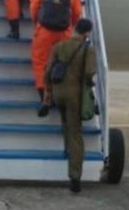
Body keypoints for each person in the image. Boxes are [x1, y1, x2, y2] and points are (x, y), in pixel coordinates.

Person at [41, 18, 96, 193]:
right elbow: (89, 72)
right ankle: (75, 175)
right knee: (75, 134)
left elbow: (48, 71)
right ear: (87, 33)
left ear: (74, 29)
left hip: (58, 94)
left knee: (65, 125)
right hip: (74, 96)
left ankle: (68, 153)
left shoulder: (59, 46)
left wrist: (48, 94)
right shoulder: (88, 48)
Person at [30, 0, 82, 100]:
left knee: (40, 62)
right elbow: (77, 12)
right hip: (64, 31)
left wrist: (36, 22)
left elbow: (33, 6)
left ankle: (43, 94)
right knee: (64, 62)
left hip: (44, 30)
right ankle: (61, 93)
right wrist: (70, 25)